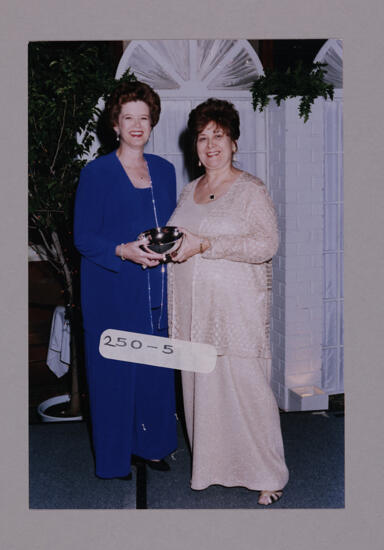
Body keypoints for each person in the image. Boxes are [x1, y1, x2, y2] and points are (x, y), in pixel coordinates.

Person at [168, 98, 289, 505]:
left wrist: (206, 244)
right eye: (203, 138)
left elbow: (266, 244)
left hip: (236, 310)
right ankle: (212, 468)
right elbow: (175, 238)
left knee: (247, 389)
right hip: (192, 311)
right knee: (202, 390)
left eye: (218, 136)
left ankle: (268, 473)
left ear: (234, 142)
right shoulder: (190, 190)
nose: (210, 145)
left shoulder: (250, 189)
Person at [74, 80, 177, 479]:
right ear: (115, 124)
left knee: (154, 372)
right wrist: (123, 250)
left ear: (152, 124)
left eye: (144, 118)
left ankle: (152, 447)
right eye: (128, 117)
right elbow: (84, 236)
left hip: (157, 289)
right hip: (113, 290)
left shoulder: (166, 171)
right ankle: (116, 459)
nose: (137, 125)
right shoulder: (97, 172)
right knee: (114, 377)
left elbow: (173, 225)